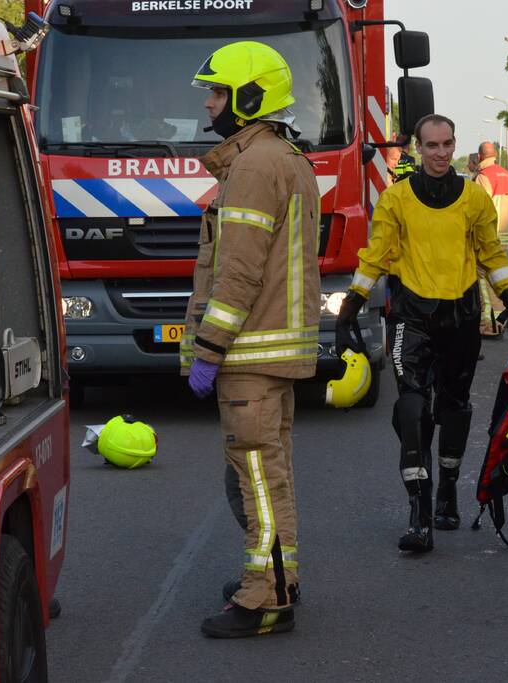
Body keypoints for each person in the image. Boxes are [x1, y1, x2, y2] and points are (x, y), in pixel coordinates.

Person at [334, 114, 508, 553]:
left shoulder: (473, 198)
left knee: (454, 410)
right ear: (418, 147)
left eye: (447, 144)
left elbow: (493, 258)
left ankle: (448, 490)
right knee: (412, 411)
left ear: (454, 145)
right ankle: (419, 514)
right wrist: (350, 307)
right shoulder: (396, 199)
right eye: (431, 145)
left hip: (460, 319)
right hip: (411, 319)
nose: (441, 153)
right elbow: (375, 256)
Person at [182, 41, 321, 638]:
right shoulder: (284, 158)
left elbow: (237, 271)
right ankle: (278, 579)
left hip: (249, 354)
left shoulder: (255, 166)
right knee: (270, 476)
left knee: (259, 481)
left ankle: (266, 599)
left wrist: (208, 348)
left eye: (218, 92)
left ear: (249, 97)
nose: (209, 104)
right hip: (273, 351)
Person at [475, 140, 508, 337]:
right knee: (499, 278)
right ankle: (499, 321)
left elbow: (479, 209)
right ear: (496, 155)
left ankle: (487, 325)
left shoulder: (483, 176)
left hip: (487, 236)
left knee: (482, 279)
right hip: (504, 236)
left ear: (480, 156)